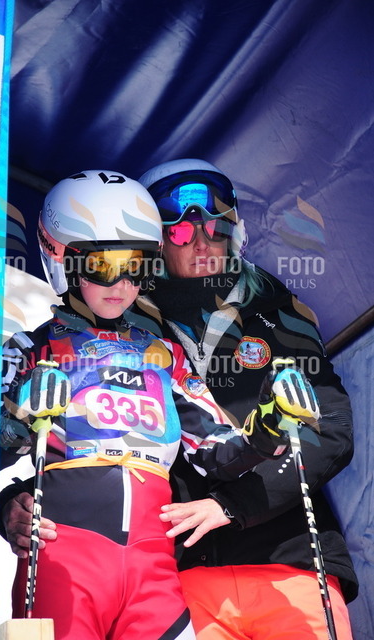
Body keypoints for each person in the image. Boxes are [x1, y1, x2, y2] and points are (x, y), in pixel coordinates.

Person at [0, 169, 293, 640]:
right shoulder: (30, 350)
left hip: (153, 570)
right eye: (104, 265)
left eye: (137, 265)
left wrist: (268, 429)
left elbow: (216, 452)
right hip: (63, 560)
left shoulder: (164, 355)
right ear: (60, 257)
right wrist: (18, 424)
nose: (122, 282)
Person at [133, 158, 358, 639]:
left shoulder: (277, 310)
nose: (201, 243)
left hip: (293, 564)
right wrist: (15, 499)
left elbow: (331, 429)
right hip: (183, 576)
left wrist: (234, 504)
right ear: (154, 243)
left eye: (215, 228)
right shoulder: (127, 329)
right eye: (181, 232)